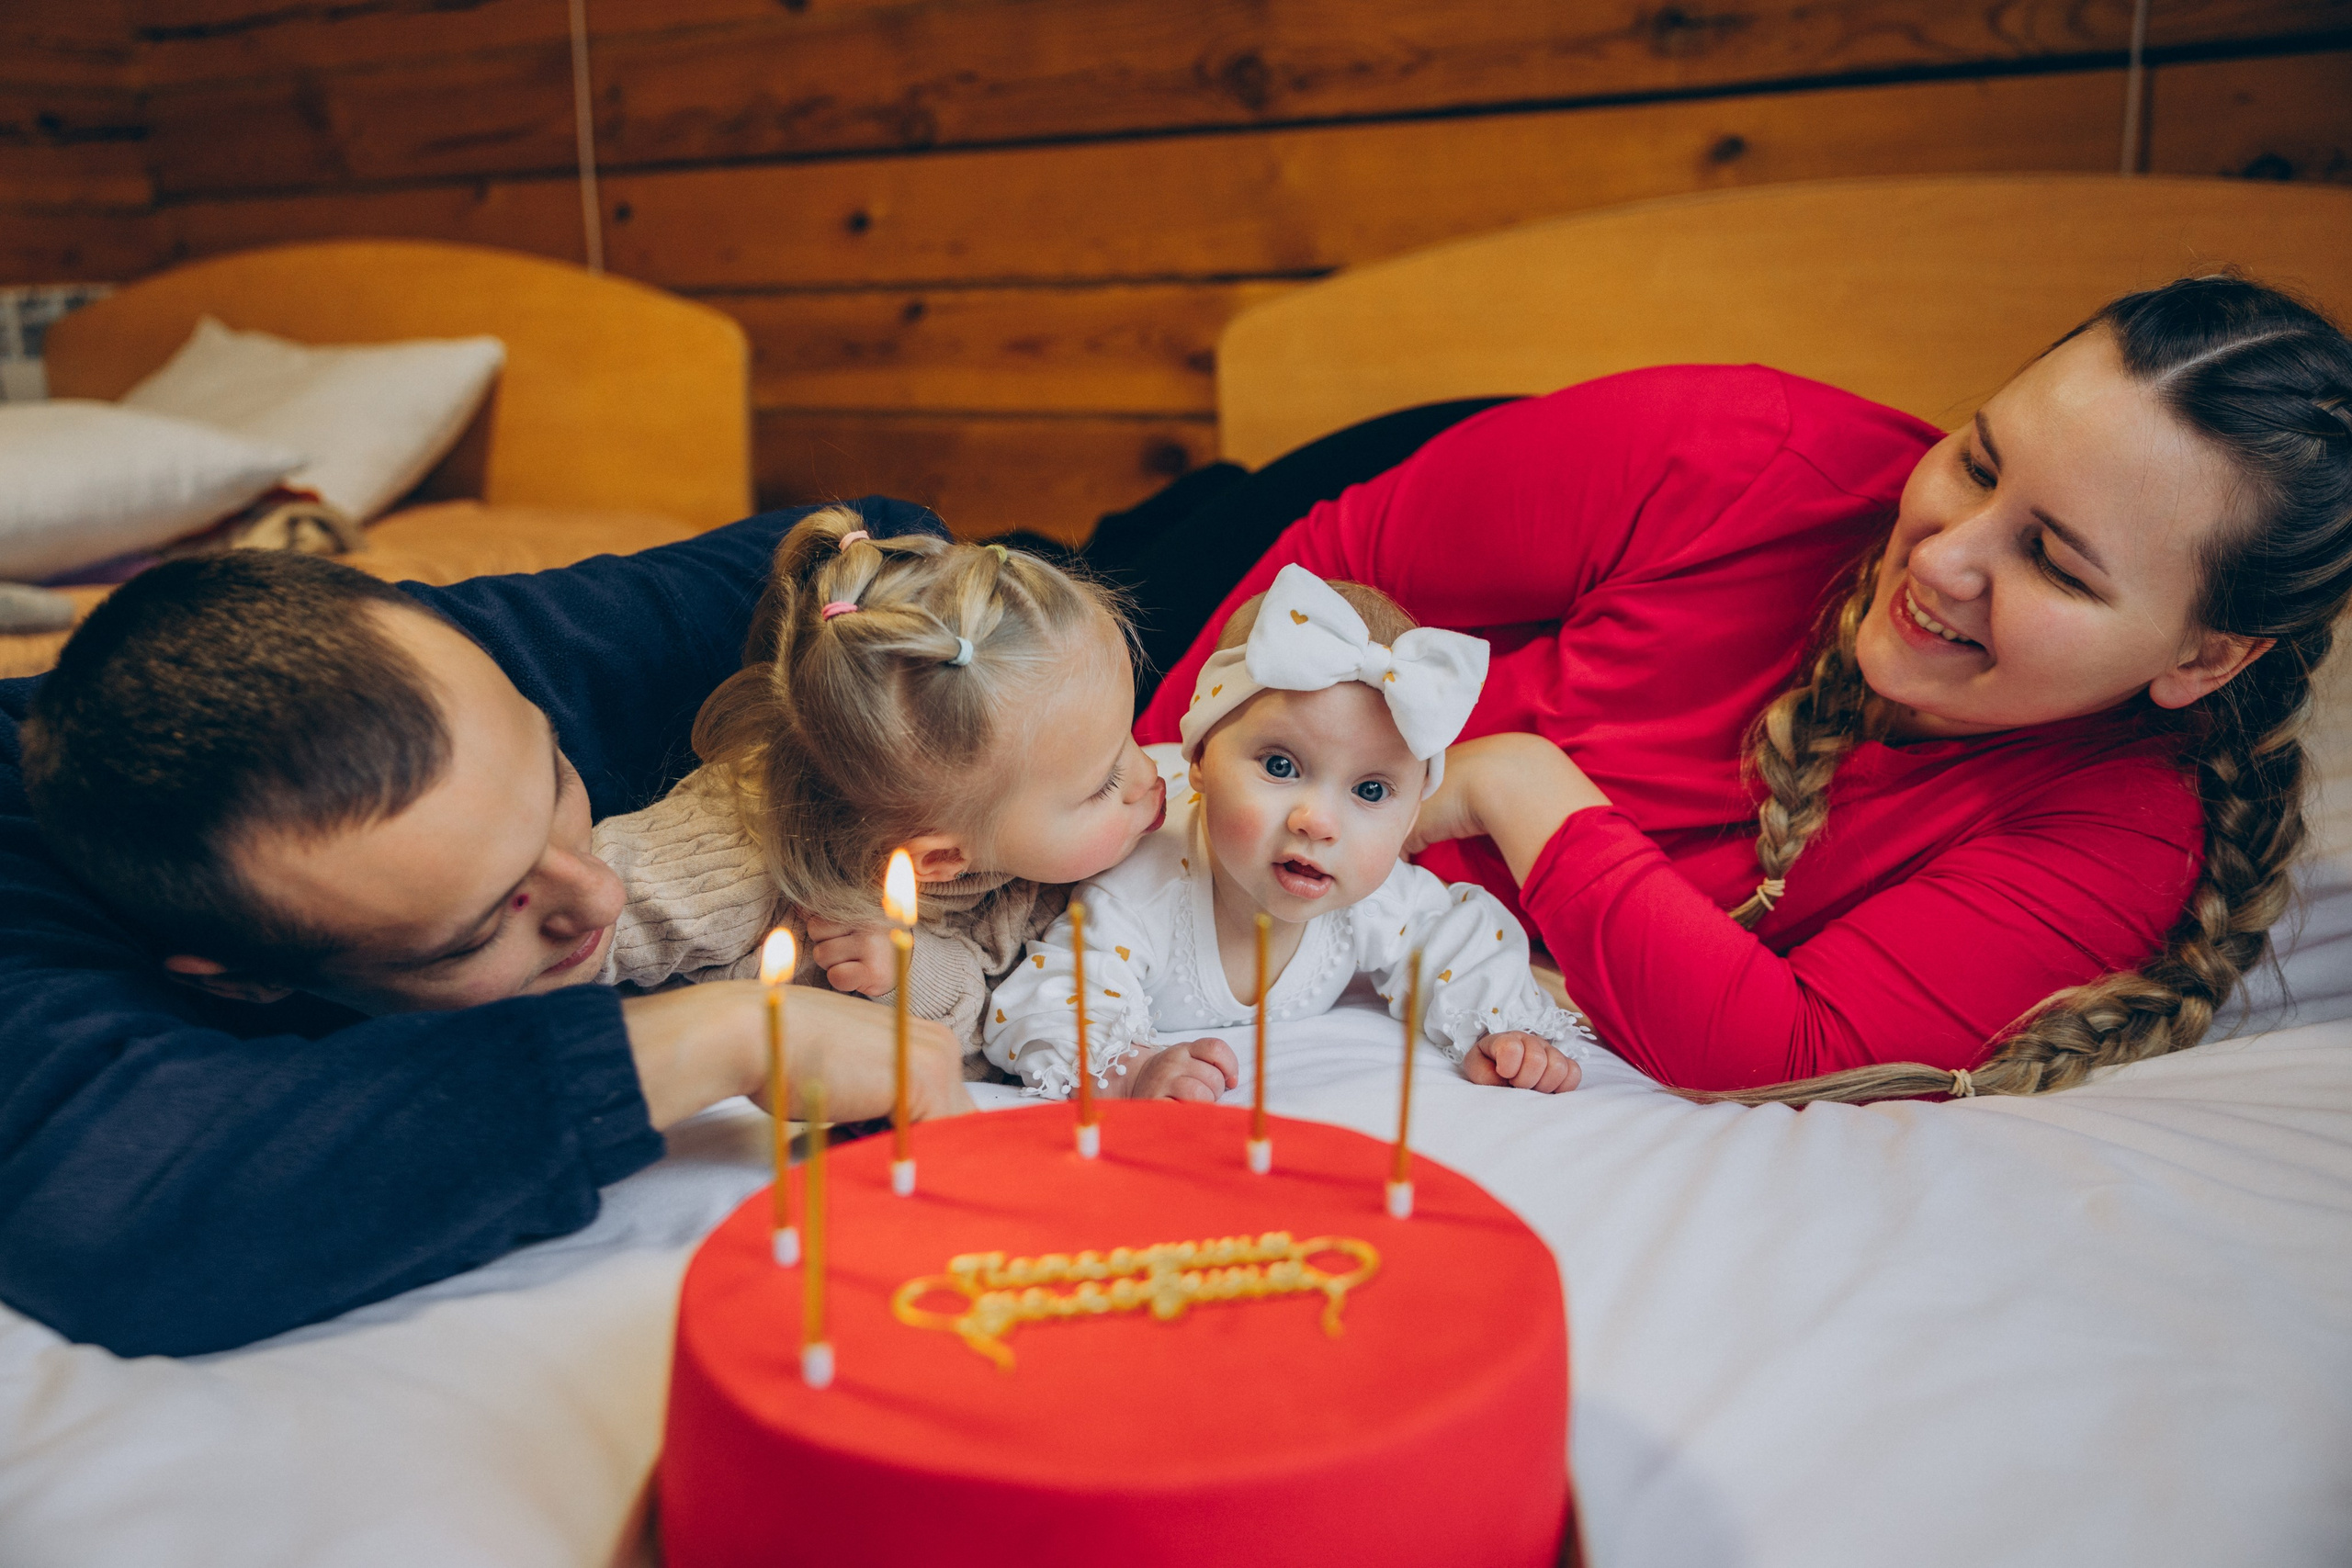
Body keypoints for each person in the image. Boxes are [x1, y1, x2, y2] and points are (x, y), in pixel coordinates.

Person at [1137, 274, 2352, 1101]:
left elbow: (1784, 1044)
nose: (1938, 555)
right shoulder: (1743, 451)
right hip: (1323, 555)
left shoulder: (2115, 835)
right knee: (1036, 606)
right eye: (1977, 461)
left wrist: (1519, 781)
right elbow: (1331, 572)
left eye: (2054, 559)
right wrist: (1138, 820)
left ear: (2202, 658)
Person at [0, 500, 967, 1358]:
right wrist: (711, 1036)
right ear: (236, 978)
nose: (598, 896)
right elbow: (116, 1206)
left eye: (552, 779)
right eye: (474, 931)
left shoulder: (474, 650)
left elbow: (891, 536)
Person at [988, 567, 1587, 1100]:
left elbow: (1455, 935)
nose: (1319, 821)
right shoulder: (1142, 889)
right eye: (1280, 766)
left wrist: (1503, 1028)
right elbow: (1051, 998)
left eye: (1371, 791)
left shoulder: (1377, 894)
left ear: (1411, 817)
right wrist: (1130, 1069)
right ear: (1200, 758)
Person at [593, 505, 1169, 1059]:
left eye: (1130, 736)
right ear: (938, 858)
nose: (1147, 777)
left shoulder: (1040, 873)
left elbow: (1005, 1032)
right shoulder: (729, 864)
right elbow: (555, 923)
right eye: (1103, 782)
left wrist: (915, 973)